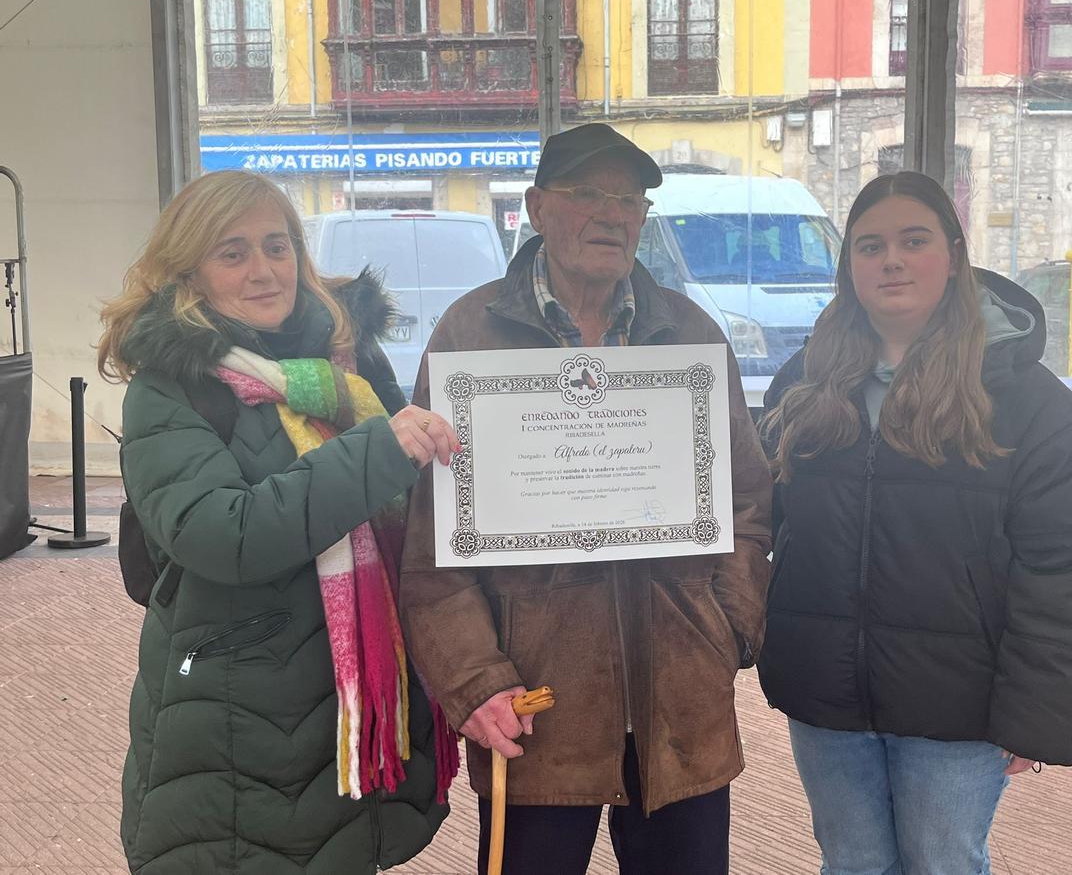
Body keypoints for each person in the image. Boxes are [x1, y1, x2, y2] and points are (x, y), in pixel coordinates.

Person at [398, 123, 773, 875]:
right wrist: (474, 681)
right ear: (536, 208)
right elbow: (431, 544)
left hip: (681, 711)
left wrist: (726, 624)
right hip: (534, 705)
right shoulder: (470, 334)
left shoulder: (690, 333)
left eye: (629, 199)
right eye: (587, 194)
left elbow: (747, 501)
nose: (612, 214)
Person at [759, 171, 1072, 875]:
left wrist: (1037, 709)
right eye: (869, 247)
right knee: (853, 862)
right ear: (849, 269)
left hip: (959, 702)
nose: (890, 259)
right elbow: (756, 517)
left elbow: (1071, 566)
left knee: (942, 862)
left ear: (954, 255)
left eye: (912, 240)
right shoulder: (805, 386)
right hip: (827, 696)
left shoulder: (1030, 404)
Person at [99, 170, 461, 874]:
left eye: (276, 246)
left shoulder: (348, 370)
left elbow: (408, 512)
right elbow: (223, 534)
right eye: (231, 253)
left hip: (347, 722)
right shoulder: (170, 388)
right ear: (190, 275)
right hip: (238, 727)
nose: (263, 270)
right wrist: (378, 452)